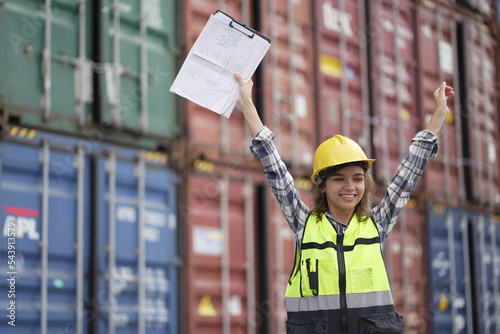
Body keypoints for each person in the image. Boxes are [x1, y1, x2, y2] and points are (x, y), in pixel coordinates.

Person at [235, 73, 454, 334]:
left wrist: (440, 112)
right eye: (339, 179)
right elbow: (274, 167)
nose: (350, 187)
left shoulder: (377, 224)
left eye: (358, 179)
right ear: (322, 185)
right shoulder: (304, 223)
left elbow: (408, 174)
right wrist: (247, 102)